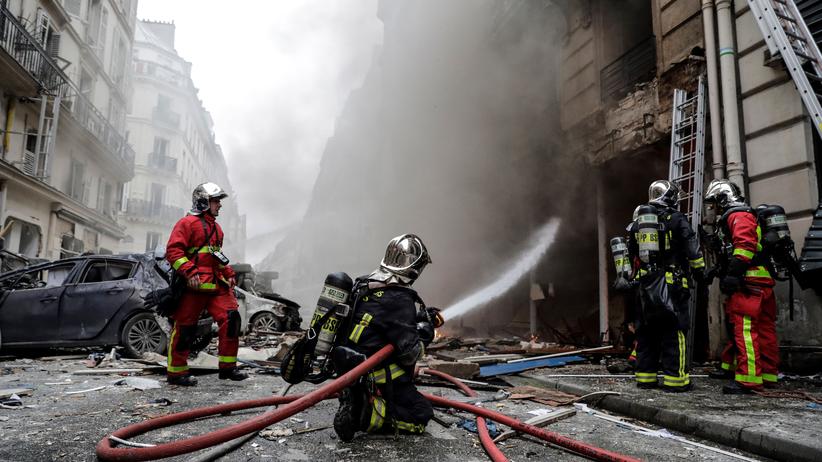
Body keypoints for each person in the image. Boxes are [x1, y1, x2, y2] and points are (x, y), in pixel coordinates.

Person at [331, 234, 436, 442]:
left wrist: (418, 318)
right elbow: (409, 354)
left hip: (353, 371)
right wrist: (425, 334)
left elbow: (382, 319)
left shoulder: (365, 284)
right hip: (378, 376)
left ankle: (355, 396)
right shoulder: (400, 297)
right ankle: (365, 415)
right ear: (413, 268)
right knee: (421, 415)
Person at [164, 182, 247, 386]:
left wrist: (228, 272)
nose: (220, 205)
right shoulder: (187, 223)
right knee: (185, 328)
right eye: (216, 201)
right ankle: (176, 372)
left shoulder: (216, 229)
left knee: (232, 319)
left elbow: (214, 256)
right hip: (194, 286)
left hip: (216, 285)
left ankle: (228, 368)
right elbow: (173, 252)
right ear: (203, 202)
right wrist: (189, 271)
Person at [627, 180, 705, 392]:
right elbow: (691, 246)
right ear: (670, 197)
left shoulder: (638, 224)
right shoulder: (676, 219)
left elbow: (630, 254)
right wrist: (700, 272)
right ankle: (676, 381)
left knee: (646, 333)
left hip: (644, 287)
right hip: (671, 284)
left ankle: (645, 379)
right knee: (674, 330)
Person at [703, 179, 777, 394]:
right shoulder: (742, 215)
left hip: (749, 283)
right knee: (763, 330)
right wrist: (716, 271)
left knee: (745, 331)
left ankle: (748, 379)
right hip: (760, 281)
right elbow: (730, 253)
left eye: (715, 203)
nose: (714, 209)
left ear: (723, 199)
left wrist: (734, 275)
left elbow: (744, 248)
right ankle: (767, 374)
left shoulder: (738, 216)